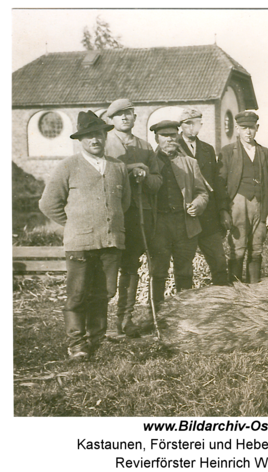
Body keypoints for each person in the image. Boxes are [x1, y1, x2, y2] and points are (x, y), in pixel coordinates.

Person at [39, 111, 131, 361]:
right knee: (78, 294)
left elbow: (124, 203)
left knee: (105, 292)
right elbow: (48, 204)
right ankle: (76, 344)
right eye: (89, 136)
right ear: (81, 140)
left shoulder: (118, 167)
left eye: (99, 134)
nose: (95, 140)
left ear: (105, 136)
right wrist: (74, 225)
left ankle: (96, 340)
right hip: (80, 245)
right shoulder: (67, 166)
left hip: (111, 243)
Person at [104, 98, 162, 336]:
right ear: (112, 120)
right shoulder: (103, 144)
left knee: (131, 267)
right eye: (120, 115)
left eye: (129, 114)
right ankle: (95, 322)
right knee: (106, 267)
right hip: (114, 214)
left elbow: (157, 182)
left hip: (139, 214)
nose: (125, 118)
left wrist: (145, 176)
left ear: (135, 118)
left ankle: (125, 320)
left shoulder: (146, 147)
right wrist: (130, 168)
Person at [147, 120, 209, 311]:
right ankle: (156, 314)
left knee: (184, 271)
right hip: (159, 225)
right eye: (165, 136)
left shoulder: (190, 163)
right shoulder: (149, 163)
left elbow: (203, 192)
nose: (170, 139)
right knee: (158, 272)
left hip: (184, 224)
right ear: (157, 138)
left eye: (173, 135)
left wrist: (198, 205)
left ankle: (183, 314)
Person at [218, 111, 268, 283]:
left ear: (257, 128)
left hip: (261, 205)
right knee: (237, 249)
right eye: (244, 128)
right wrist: (223, 210)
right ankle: (236, 293)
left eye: (251, 128)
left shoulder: (265, 152)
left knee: (257, 249)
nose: (248, 132)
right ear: (237, 129)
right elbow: (220, 185)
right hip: (237, 205)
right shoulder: (228, 151)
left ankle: (254, 293)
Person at [177, 107, 229, 285]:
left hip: (208, 216)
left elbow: (216, 182)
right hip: (184, 217)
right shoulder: (173, 148)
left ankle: (221, 301)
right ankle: (185, 306)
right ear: (181, 126)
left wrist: (222, 210)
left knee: (219, 261)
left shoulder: (207, 149)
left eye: (196, 123)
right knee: (184, 267)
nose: (192, 127)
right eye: (187, 123)